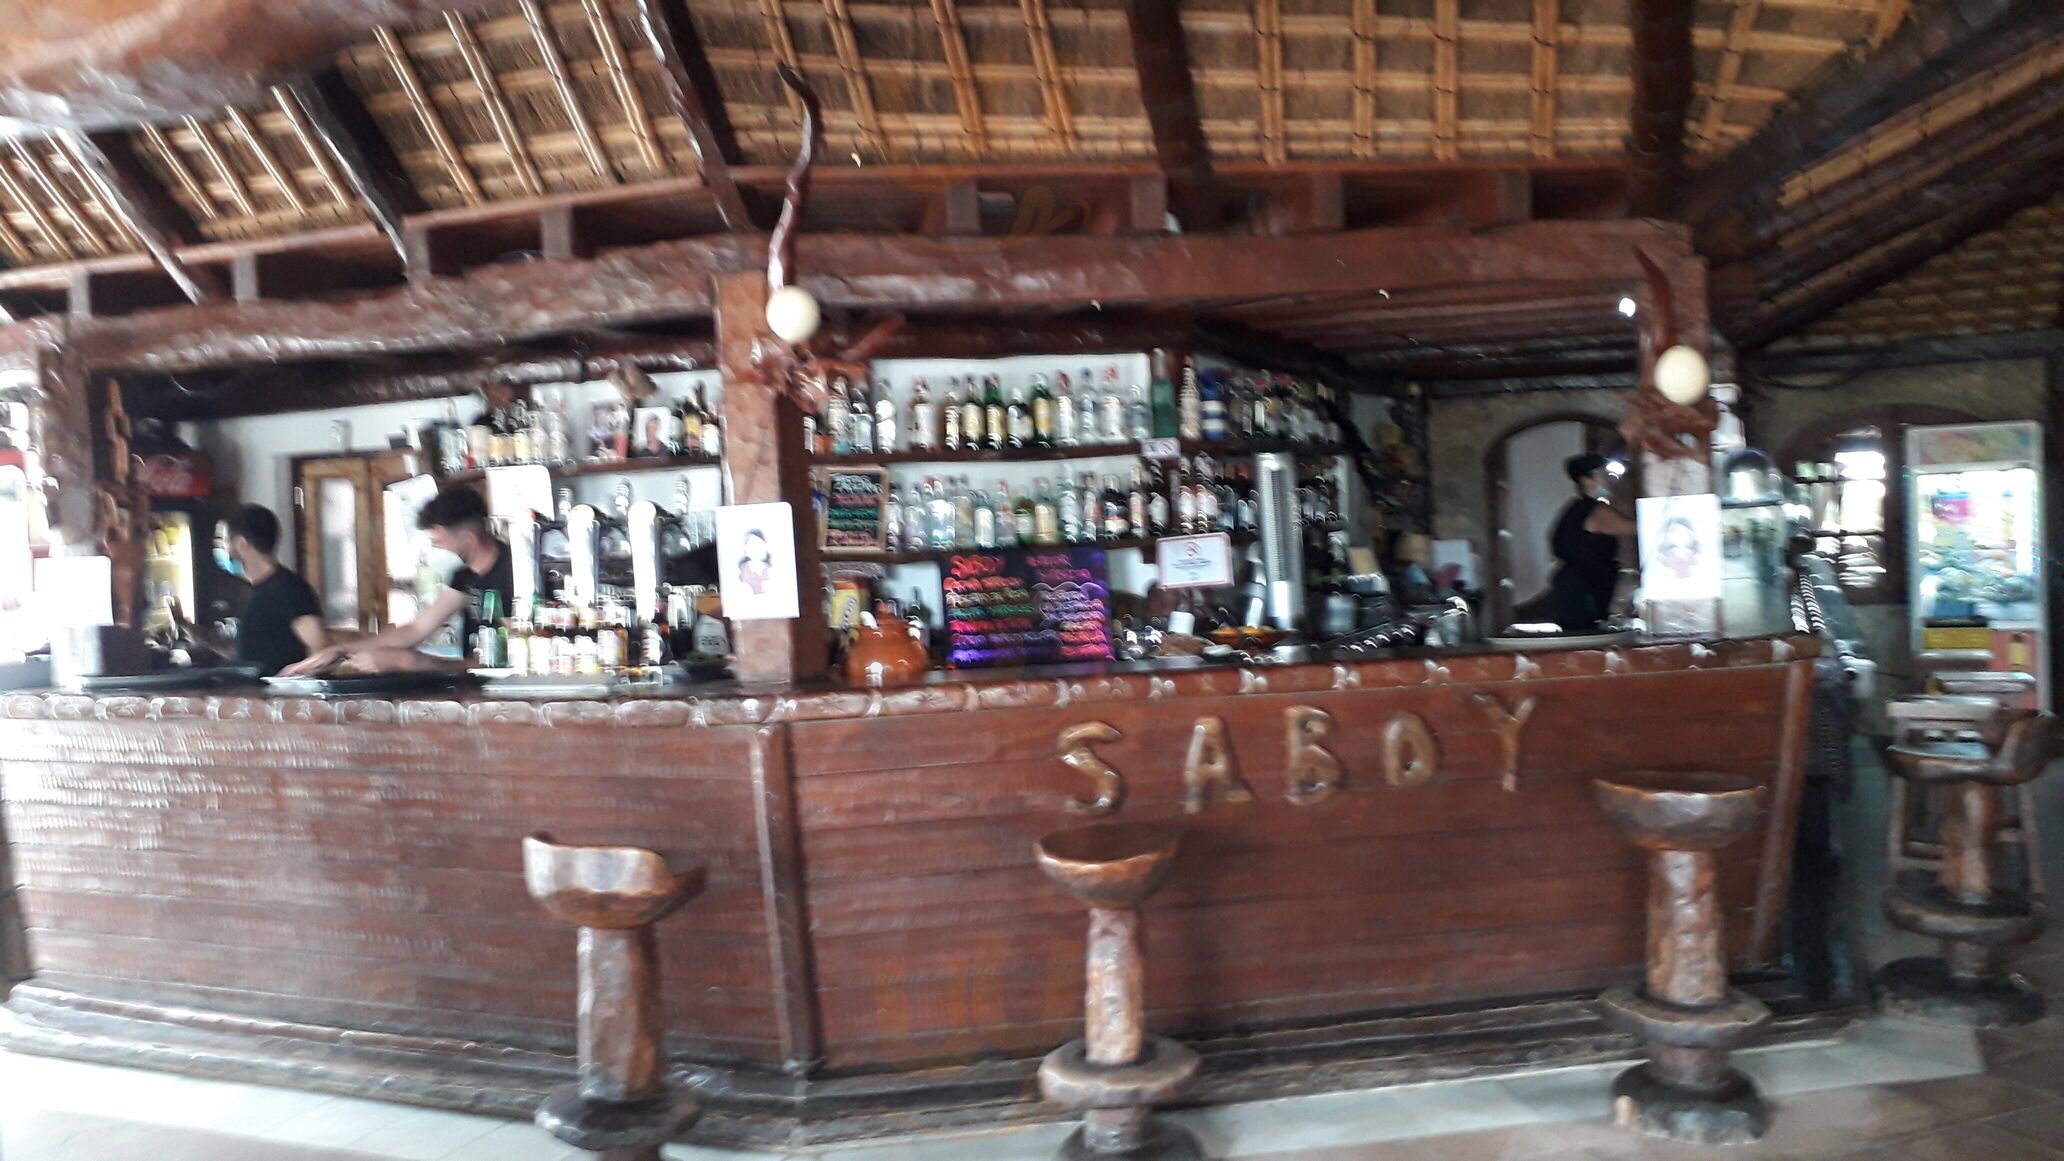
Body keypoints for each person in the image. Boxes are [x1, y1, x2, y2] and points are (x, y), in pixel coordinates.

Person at [281, 483, 511, 675]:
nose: (435, 548)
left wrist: (411, 662)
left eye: (439, 542)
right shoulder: (464, 578)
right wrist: (342, 650)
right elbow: (416, 628)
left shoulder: (514, 573)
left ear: (468, 539)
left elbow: (512, 662)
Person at [216, 504, 328, 676]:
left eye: (224, 542)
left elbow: (322, 651)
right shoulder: (252, 591)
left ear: (241, 544)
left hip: (282, 693)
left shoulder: (290, 589)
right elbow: (253, 653)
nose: (222, 549)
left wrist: (287, 680)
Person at [1543, 452, 1636, 633]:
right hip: (1583, 593)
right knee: (1587, 636)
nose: (1609, 480)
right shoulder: (1595, 511)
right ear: (1588, 480)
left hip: (1573, 590)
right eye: (1603, 475)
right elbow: (1634, 528)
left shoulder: (1575, 509)